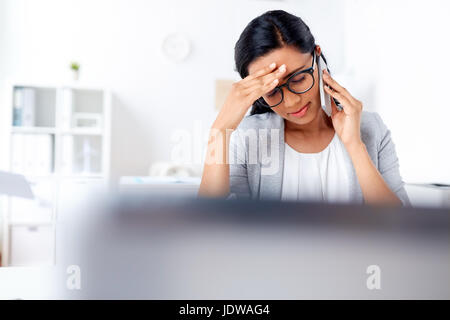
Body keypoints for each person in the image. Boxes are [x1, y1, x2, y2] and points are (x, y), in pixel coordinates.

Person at [198, 10, 409, 206]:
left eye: (299, 79)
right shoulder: (248, 138)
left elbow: (403, 228)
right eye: (272, 91)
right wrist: (219, 130)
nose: (291, 102)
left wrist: (355, 145)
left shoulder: (372, 129)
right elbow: (211, 228)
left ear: (317, 57)